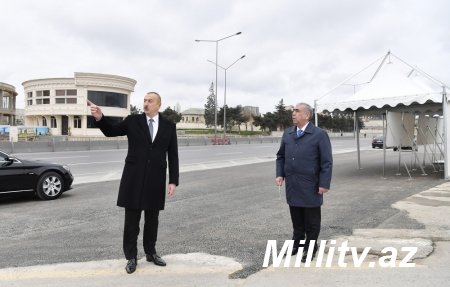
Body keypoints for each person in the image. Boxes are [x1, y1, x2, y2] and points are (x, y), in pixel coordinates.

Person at [89, 91, 179, 274]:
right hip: (134, 178)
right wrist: (100, 118)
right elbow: (111, 131)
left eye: (150, 101)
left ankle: (151, 253)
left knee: (152, 220)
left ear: (158, 105)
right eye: (144, 100)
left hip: (156, 179)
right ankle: (131, 257)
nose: (146, 103)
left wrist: (173, 181)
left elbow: (173, 154)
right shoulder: (133, 121)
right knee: (132, 220)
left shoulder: (169, 126)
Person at [275, 102, 332, 263]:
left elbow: (326, 162)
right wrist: (280, 174)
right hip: (293, 184)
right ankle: (298, 244)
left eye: (297, 111)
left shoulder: (319, 134)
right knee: (297, 218)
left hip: (311, 184)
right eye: (293, 110)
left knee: (311, 220)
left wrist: (324, 183)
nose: (293, 113)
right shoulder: (288, 133)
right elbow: (281, 156)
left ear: (307, 115)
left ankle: (311, 246)